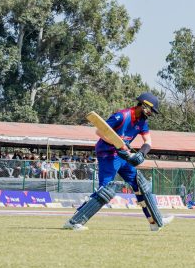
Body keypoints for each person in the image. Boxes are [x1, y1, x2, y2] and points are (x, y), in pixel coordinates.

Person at [63, 92, 173, 231]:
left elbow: (148, 141)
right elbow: (100, 132)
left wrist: (142, 153)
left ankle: (155, 221)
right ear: (144, 106)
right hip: (108, 154)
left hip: (123, 156)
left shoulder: (142, 122)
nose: (151, 114)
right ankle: (74, 222)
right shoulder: (122, 116)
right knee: (106, 190)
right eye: (151, 110)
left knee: (140, 184)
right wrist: (118, 145)